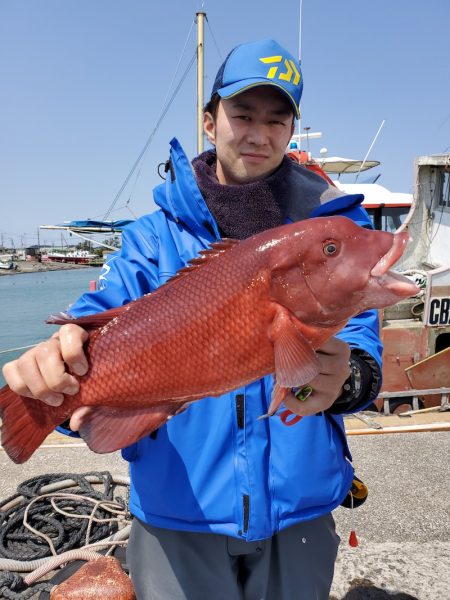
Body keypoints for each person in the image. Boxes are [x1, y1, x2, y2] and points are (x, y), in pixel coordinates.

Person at [3, 39, 382, 599]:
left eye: (277, 120)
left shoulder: (327, 231)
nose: (259, 134)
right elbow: (85, 334)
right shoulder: (150, 240)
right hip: (177, 517)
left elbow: (362, 350)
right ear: (210, 122)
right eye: (242, 115)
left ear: (292, 130)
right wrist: (51, 374)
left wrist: (346, 378)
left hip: (302, 509)